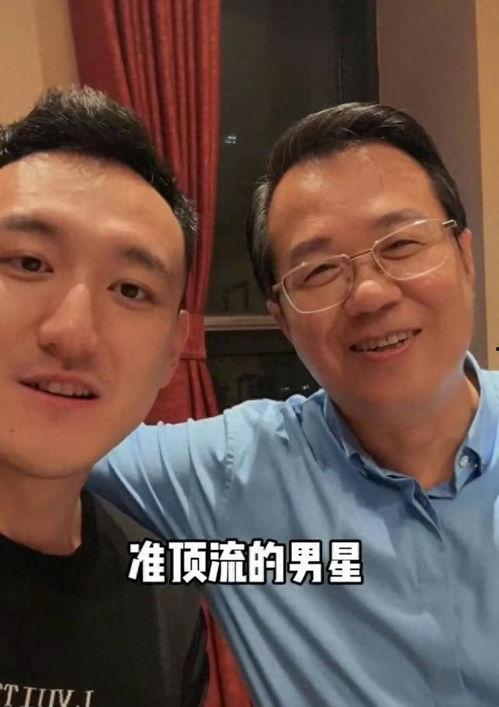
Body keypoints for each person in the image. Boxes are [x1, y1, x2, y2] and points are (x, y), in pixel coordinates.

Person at [90, 103, 499, 707]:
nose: (370, 293)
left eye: (401, 244)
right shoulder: (232, 476)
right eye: (318, 271)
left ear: (465, 256)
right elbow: (41, 444)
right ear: (282, 321)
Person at [0, 87, 207, 707]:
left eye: (131, 290)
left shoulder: (165, 597)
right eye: (28, 263)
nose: (73, 333)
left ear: (172, 350)